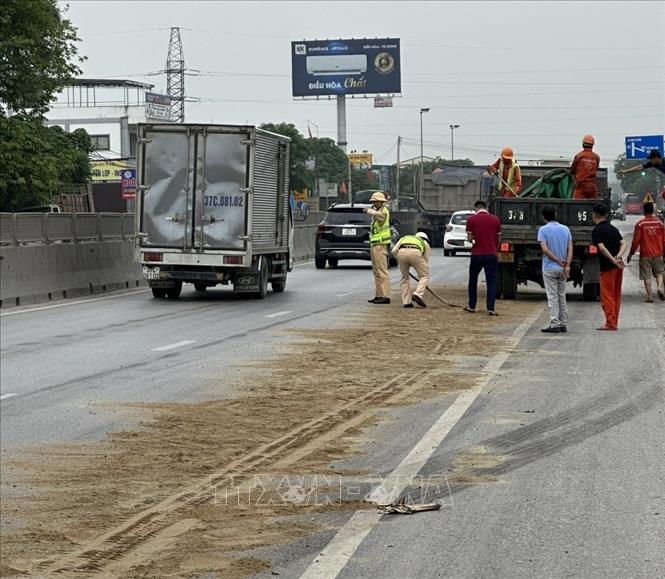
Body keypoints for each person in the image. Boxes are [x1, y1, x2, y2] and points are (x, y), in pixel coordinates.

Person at [538, 206, 573, 333]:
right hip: (563, 269)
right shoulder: (565, 229)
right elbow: (570, 248)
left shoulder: (543, 230)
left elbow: (545, 249)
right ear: (556, 214)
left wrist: (557, 260)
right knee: (561, 295)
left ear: (544, 217)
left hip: (549, 267)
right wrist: (567, 264)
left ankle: (554, 323)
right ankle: (563, 322)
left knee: (552, 296)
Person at [591, 204, 626, 331]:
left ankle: (610, 323)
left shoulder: (597, 231)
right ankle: (614, 321)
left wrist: (612, 259)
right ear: (606, 215)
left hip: (607, 267)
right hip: (618, 267)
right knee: (616, 294)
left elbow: (601, 247)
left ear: (594, 215)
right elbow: (623, 243)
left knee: (607, 295)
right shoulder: (613, 229)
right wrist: (618, 256)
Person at [465, 200, 501, 315]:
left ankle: (471, 306)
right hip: (491, 254)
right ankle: (491, 308)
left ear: (476, 209)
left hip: (477, 254)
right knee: (491, 281)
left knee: (473, 280)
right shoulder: (495, 219)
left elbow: (470, 238)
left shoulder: (471, 220)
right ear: (486, 208)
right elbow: (499, 239)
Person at [626, 202, 665, 302]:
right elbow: (664, 240)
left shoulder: (640, 224)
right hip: (658, 253)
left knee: (646, 276)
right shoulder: (660, 223)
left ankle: (649, 296)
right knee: (660, 272)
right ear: (653, 211)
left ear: (644, 211)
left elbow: (636, 241)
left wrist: (630, 254)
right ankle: (660, 287)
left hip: (645, 254)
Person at [363, 192, 391, 305]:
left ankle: (385, 295)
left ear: (381, 202)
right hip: (375, 244)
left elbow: (380, 217)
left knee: (382, 271)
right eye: (373, 202)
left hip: (381, 245)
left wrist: (369, 211)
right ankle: (379, 294)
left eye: (376, 201)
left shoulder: (383, 211)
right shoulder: (377, 211)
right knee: (376, 272)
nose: (374, 203)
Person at [392, 231, 431, 308]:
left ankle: (406, 302)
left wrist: (400, 261)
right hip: (415, 252)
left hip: (401, 252)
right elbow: (425, 261)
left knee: (404, 279)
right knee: (424, 275)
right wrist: (417, 266)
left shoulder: (405, 237)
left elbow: (394, 251)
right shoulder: (425, 243)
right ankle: (418, 294)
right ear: (426, 239)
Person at [571, 135, 600, 199]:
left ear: (583, 144)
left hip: (580, 187)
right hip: (592, 187)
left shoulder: (579, 156)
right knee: (593, 206)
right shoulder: (596, 157)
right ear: (592, 145)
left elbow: (573, 170)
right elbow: (596, 169)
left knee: (577, 206)